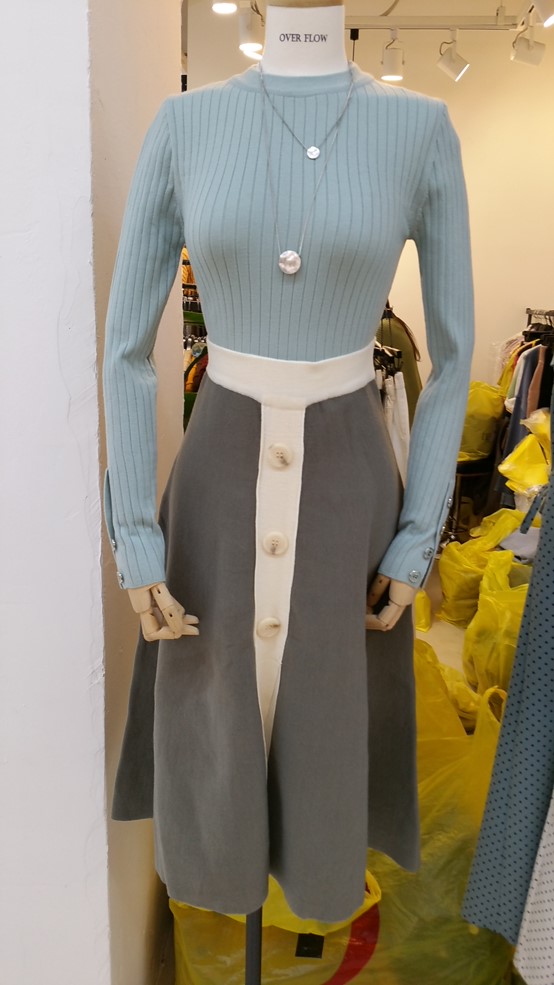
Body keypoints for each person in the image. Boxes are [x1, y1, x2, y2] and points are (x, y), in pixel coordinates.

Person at [103, 0, 474, 921]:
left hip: (352, 480)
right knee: (215, 707)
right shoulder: (185, 124)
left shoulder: (420, 129)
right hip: (216, 478)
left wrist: (418, 536)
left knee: (327, 716)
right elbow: (124, 350)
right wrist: (135, 538)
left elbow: (457, 353)